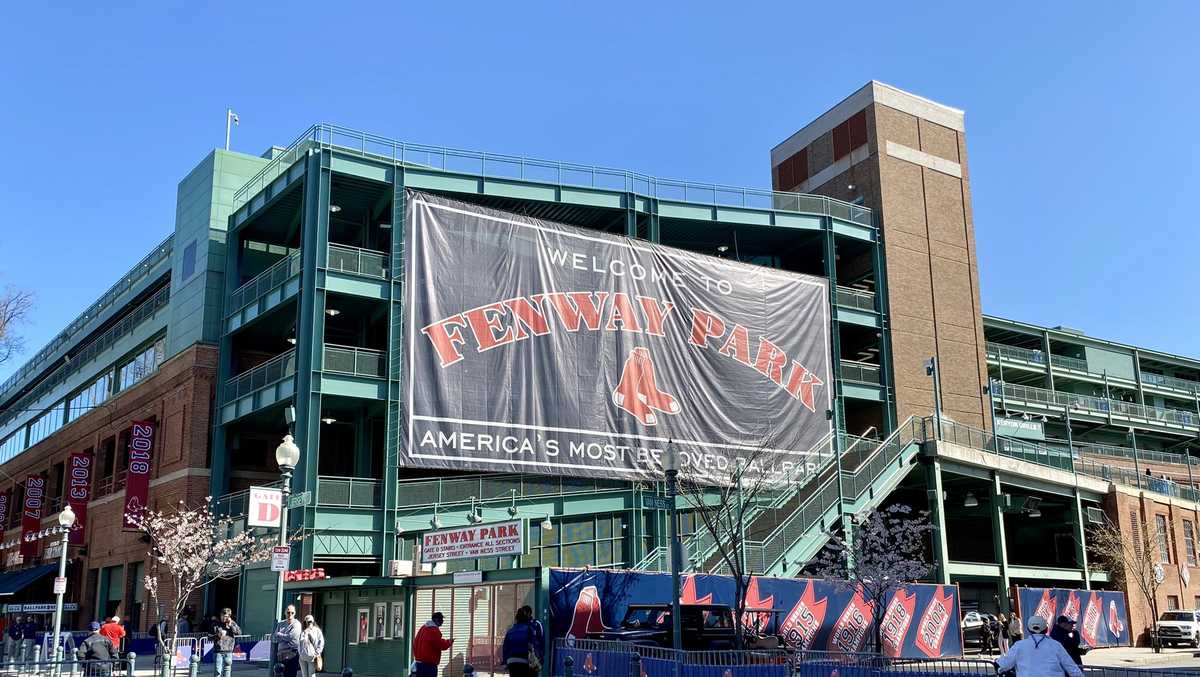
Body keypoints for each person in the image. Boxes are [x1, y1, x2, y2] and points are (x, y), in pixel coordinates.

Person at [995, 615, 1083, 677]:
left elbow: (1003, 664)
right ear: (1046, 629)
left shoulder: (1019, 646)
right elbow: (1071, 668)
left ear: (1028, 629)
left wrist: (997, 663)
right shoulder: (1055, 645)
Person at [502, 607, 543, 677]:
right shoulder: (529, 629)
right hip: (524, 661)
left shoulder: (510, 631)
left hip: (511, 662)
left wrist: (505, 663)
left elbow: (505, 648)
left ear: (516, 619)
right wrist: (539, 659)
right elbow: (534, 645)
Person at [412, 612, 453, 677]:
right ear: (436, 620)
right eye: (441, 619)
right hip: (429, 664)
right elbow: (440, 644)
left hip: (418, 663)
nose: (442, 621)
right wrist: (449, 642)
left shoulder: (423, 628)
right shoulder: (434, 630)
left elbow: (416, 643)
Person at [273, 605, 303, 677]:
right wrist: (284, 637)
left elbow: (290, 637)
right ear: (285, 613)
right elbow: (274, 637)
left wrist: (280, 634)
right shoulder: (281, 624)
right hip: (281, 654)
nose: (290, 615)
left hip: (292, 653)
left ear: (295, 613)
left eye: (292, 613)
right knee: (279, 675)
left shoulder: (296, 624)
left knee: (290, 674)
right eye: (288, 612)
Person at [211, 608, 242, 677]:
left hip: (229, 651)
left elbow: (239, 633)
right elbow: (209, 636)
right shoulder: (215, 624)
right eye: (222, 615)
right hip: (218, 651)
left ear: (229, 616)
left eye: (226, 616)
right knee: (218, 671)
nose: (224, 618)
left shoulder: (232, 623)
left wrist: (231, 625)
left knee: (227, 671)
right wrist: (218, 635)